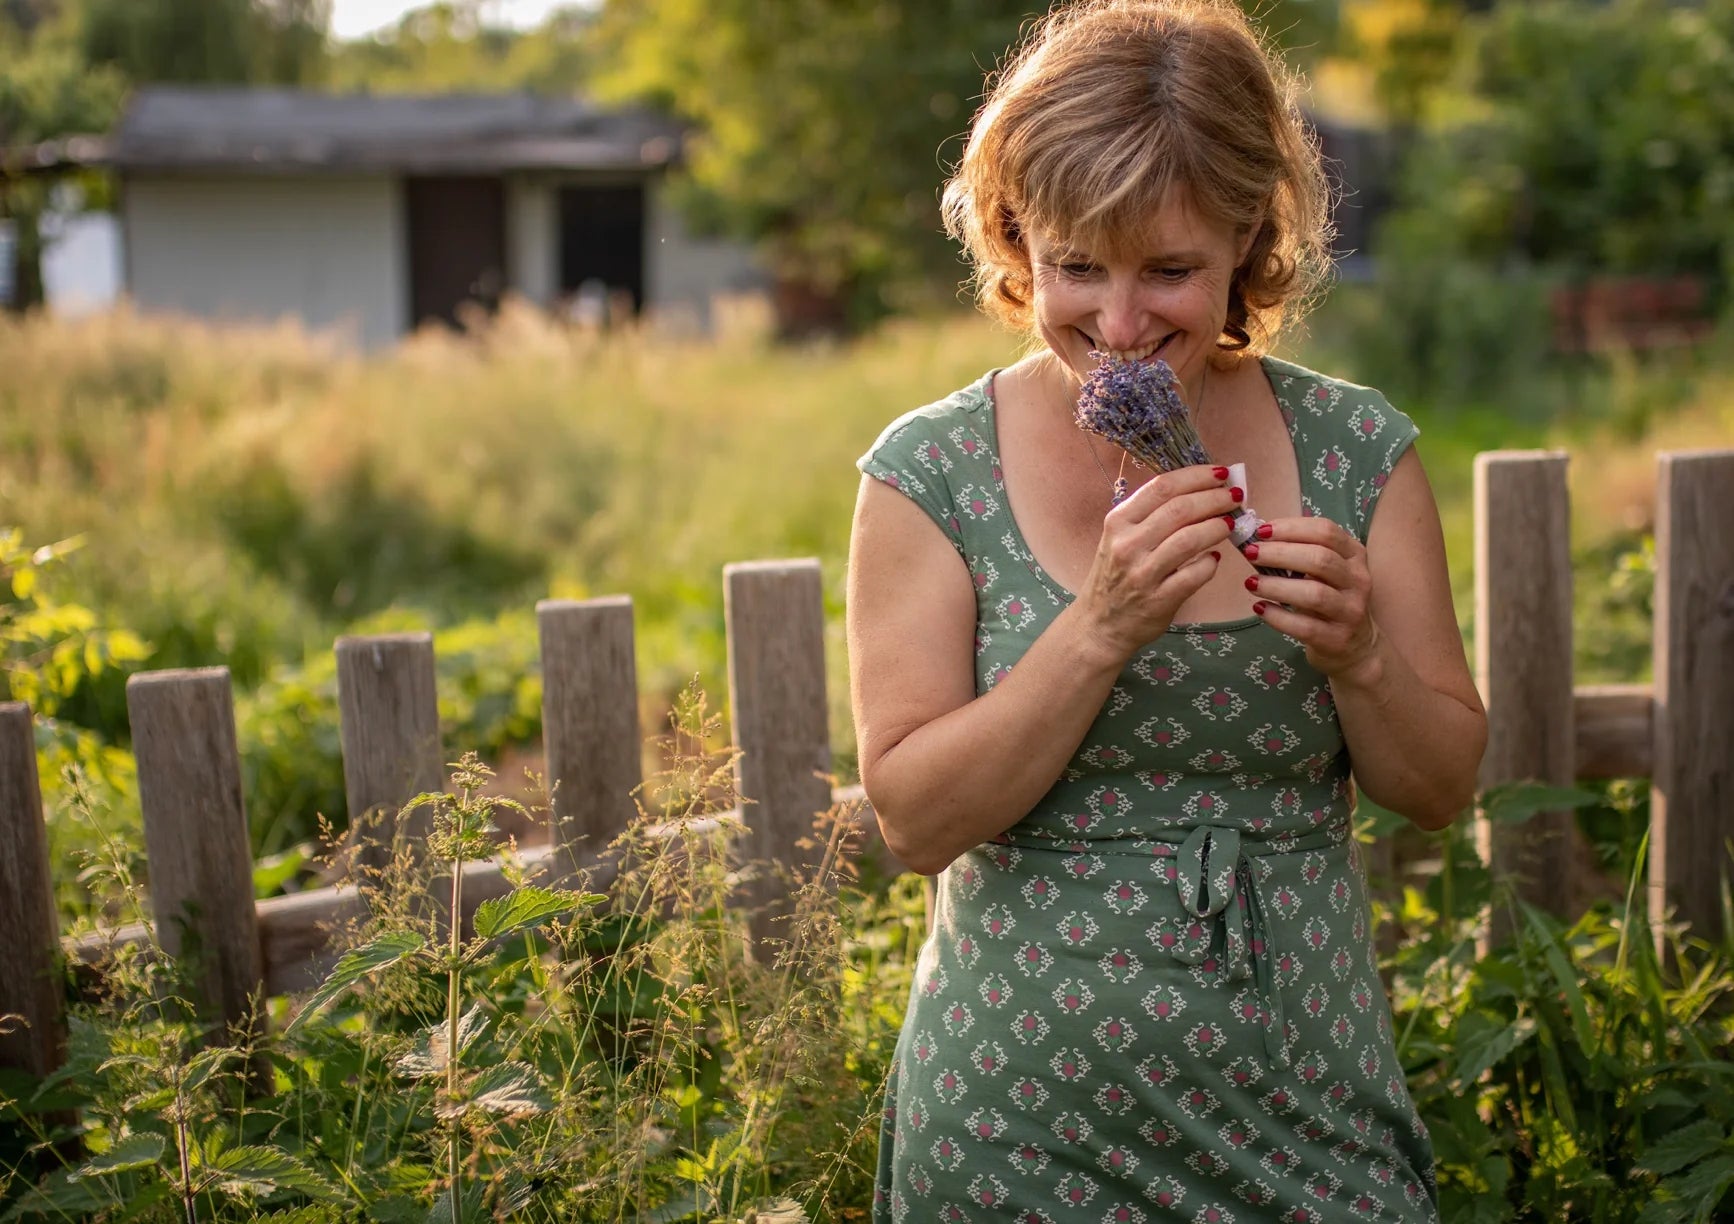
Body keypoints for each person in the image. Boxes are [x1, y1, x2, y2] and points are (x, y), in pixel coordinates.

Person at [846, 1, 1488, 1219]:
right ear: (1014, 236)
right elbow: (916, 820)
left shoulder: (1358, 448)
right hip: (1013, 1126)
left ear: (1250, 239)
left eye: (1173, 271)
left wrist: (1361, 657)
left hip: (1309, 1103)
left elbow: (1442, 785)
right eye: (1078, 266)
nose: (1123, 324)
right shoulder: (930, 472)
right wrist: (1097, 627)